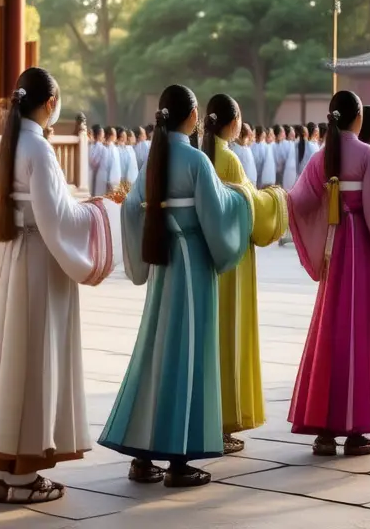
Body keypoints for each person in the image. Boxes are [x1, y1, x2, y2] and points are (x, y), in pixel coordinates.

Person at [0, 68, 121, 504]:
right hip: (39, 262)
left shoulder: (9, 144)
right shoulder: (40, 148)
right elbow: (59, 220)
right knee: (37, 362)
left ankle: (2, 470)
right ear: (50, 103)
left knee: (13, 361)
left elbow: (12, 211)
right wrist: (102, 212)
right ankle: (24, 475)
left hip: (17, 258)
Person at [99, 85, 253, 488]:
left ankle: (142, 454)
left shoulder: (153, 159)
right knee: (189, 356)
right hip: (191, 269)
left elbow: (133, 209)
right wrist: (243, 200)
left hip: (165, 266)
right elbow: (218, 215)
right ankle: (180, 460)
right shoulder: (195, 160)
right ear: (192, 115)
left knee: (156, 355)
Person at [287, 91, 370, 455]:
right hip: (360, 252)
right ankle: (355, 428)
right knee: (361, 334)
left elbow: (297, 201)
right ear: (358, 119)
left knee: (330, 332)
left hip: (334, 253)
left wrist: (323, 228)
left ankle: (324, 430)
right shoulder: (366, 155)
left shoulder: (321, 158)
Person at [200, 95, 288, 454]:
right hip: (232, 263)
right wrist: (278, 198)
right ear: (233, 121)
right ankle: (221, 423)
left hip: (206, 259)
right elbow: (254, 212)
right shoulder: (230, 160)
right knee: (228, 339)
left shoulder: (202, 156)